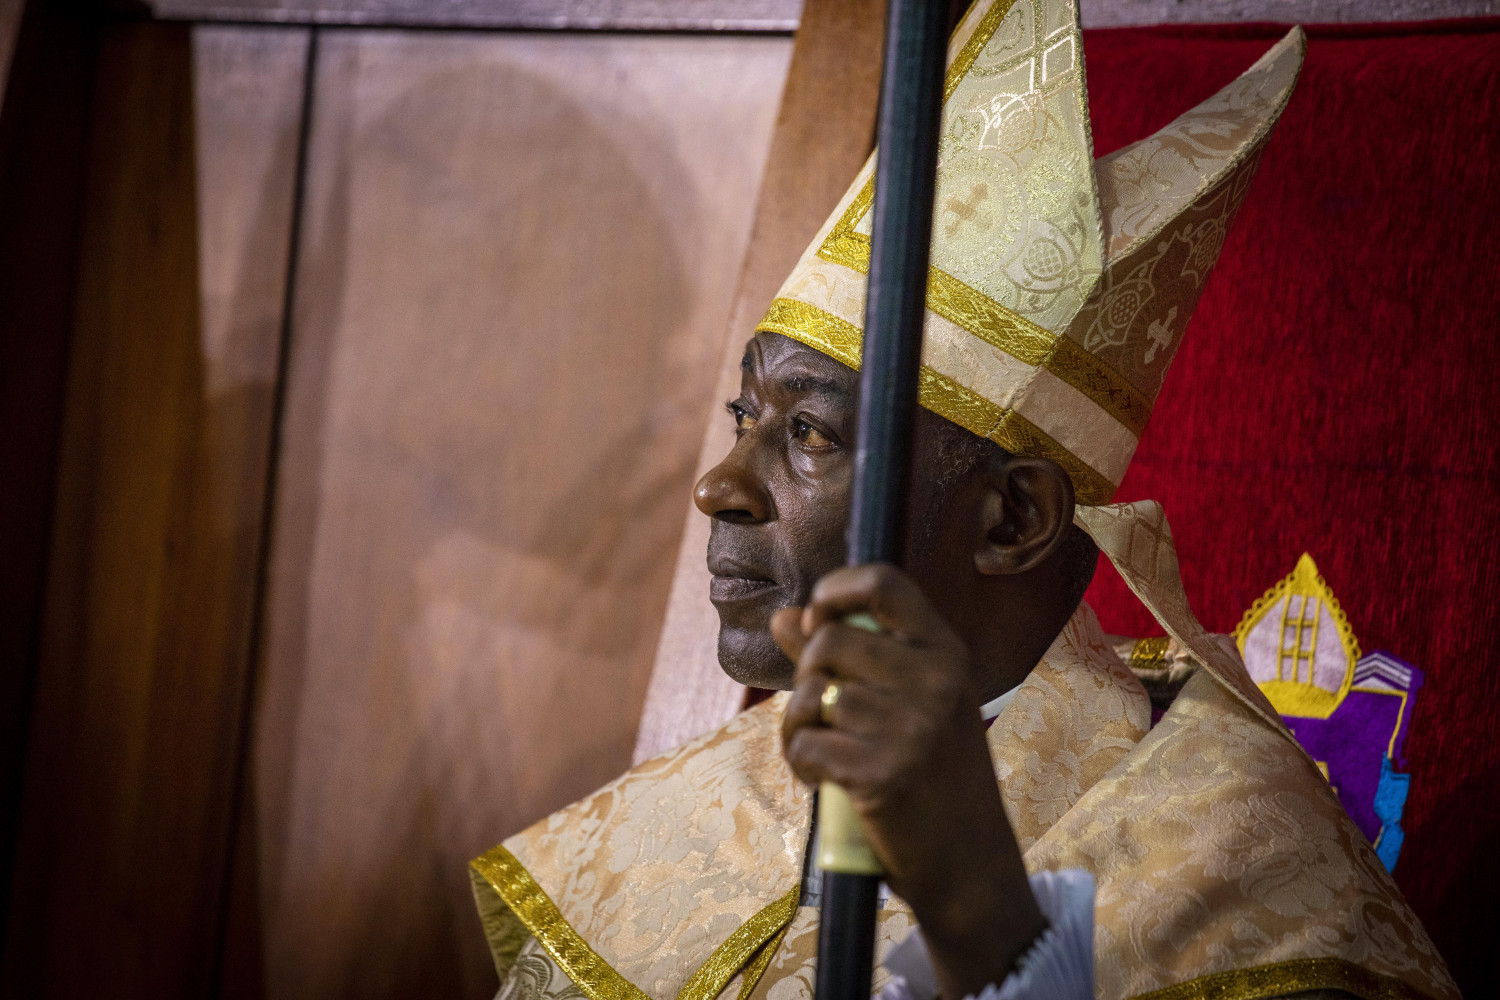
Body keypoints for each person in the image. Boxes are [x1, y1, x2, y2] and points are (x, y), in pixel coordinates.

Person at [470, 0, 1459, 997]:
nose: (717, 485)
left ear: (1013, 518)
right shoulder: (694, 805)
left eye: (808, 431)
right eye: (744, 419)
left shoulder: (1234, 855)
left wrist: (982, 910)